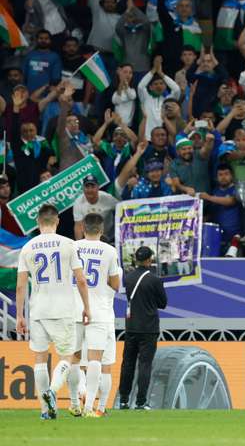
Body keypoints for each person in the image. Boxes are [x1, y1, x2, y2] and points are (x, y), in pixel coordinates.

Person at [15, 204, 91, 420]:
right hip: (63, 308)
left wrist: (20, 315)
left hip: (38, 310)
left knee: (40, 358)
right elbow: (81, 280)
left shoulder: (28, 247)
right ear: (57, 221)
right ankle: (52, 391)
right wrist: (86, 307)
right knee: (67, 357)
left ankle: (45, 409)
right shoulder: (69, 244)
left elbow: (21, 285)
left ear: (38, 223)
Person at [68, 213, 120, 417]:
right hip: (99, 311)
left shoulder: (72, 247)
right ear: (102, 230)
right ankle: (90, 407)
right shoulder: (109, 251)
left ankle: (74, 401)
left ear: (82, 228)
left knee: (73, 359)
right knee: (96, 359)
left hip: (73, 309)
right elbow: (116, 285)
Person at [117, 245, 167, 410]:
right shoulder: (155, 280)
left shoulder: (129, 278)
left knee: (128, 363)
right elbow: (163, 303)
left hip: (131, 326)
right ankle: (140, 401)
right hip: (149, 328)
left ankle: (123, 399)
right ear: (149, 259)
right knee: (145, 364)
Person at [72, 174, 118, 240]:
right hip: (89, 236)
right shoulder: (78, 202)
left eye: (93, 186)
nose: (90, 190)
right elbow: (79, 226)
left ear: (98, 187)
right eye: (87, 187)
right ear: (83, 188)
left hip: (109, 234)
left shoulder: (108, 198)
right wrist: (78, 245)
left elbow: (122, 207)